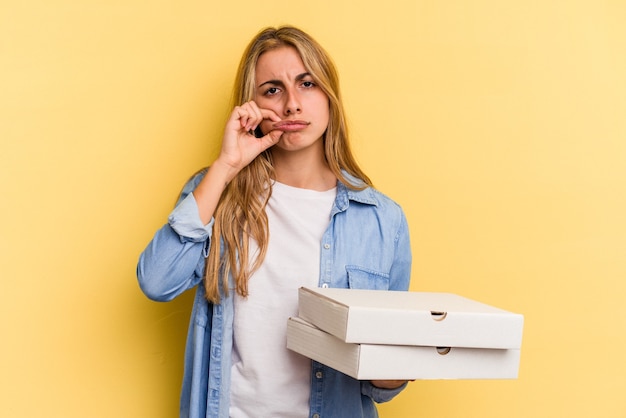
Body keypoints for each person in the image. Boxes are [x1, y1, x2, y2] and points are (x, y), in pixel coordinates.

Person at [137, 25, 412, 418]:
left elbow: (382, 383)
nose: (292, 105)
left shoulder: (382, 220)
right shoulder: (219, 194)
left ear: (330, 96)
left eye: (307, 83)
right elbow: (157, 280)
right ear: (251, 107)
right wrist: (226, 166)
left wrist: (392, 373)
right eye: (272, 89)